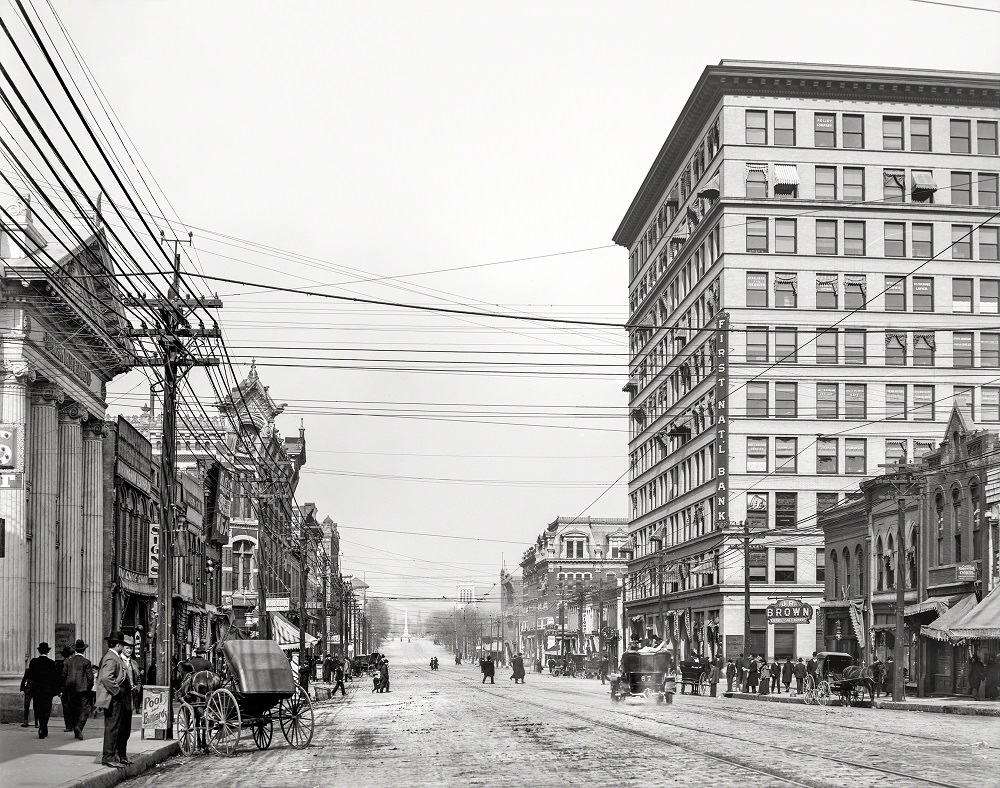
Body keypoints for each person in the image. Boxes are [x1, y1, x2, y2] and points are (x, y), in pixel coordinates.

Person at [96, 631, 132, 769]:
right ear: (117, 645)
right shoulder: (111, 658)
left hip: (121, 698)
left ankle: (118, 755)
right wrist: (117, 692)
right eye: (122, 644)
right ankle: (108, 756)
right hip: (115, 698)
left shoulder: (114, 656)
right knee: (112, 727)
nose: (123, 647)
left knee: (121, 727)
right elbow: (106, 677)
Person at [24, 643, 61, 739]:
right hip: (48, 690)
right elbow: (55, 678)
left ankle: (41, 726)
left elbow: (30, 676)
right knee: (46, 709)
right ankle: (43, 726)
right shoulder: (51, 663)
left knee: (38, 707)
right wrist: (56, 690)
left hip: (36, 689)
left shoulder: (34, 662)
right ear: (48, 651)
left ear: (39, 651)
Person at [61, 639, 94, 740]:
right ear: (84, 650)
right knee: (85, 709)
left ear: (75, 650)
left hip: (70, 690)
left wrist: (64, 689)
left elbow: (63, 676)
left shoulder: (68, 661)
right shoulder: (86, 662)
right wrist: (88, 688)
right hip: (82, 690)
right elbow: (90, 678)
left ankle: (75, 728)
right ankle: (78, 727)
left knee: (73, 709)